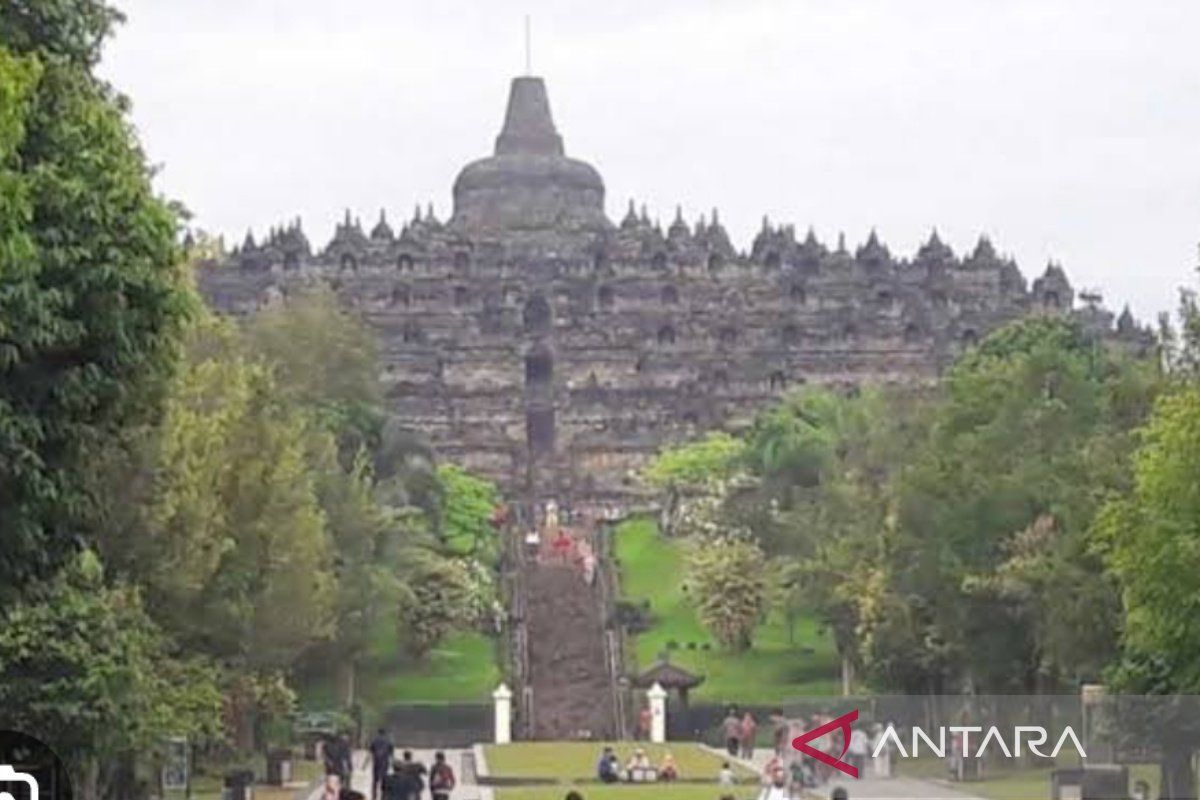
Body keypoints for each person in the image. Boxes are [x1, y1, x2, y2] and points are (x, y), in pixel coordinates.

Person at [367, 728, 394, 800]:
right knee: (384, 779)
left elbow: (370, 752)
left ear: (378, 732)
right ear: (385, 733)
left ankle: (374, 796)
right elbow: (391, 753)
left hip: (376, 762)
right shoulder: (388, 741)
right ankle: (383, 796)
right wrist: (393, 763)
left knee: (375, 780)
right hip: (385, 762)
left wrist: (365, 764)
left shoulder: (374, 740)